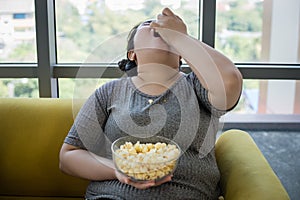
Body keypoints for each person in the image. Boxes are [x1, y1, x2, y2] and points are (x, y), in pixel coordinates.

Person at [59, 7, 243, 200]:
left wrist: (181, 38)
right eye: (148, 25)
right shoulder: (108, 92)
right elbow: (68, 156)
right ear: (132, 54)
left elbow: (230, 82)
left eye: (166, 30)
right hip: (111, 195)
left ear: (182, 54)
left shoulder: (199, 87)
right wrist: (119, 170)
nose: (156, 26)